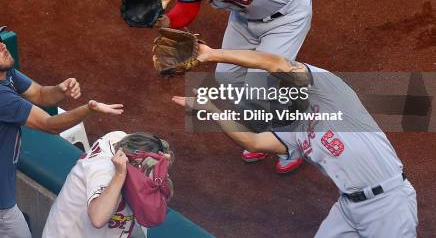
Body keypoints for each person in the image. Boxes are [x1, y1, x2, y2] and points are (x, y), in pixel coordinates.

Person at [171, 45, 418, 237]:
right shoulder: (298, 131)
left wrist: (213, 55)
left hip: (389, 204)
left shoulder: (330, 92)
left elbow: (274, 62)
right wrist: (211, 109)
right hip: (348, 206)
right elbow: (253, 143)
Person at [155, 0, 312, 173]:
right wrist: (165, 21)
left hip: (286, 17)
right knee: (228, 77)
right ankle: (261, 130)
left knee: (259, 85)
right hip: (244, 18)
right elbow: (189, 7)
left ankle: (291, 140)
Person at [0, 23, 124, 238]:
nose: (2, 45)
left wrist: (60, 90)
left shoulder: (1, 73)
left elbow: (40, 94)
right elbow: (50, 125)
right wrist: (89, 109)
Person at [43, 131, 174, 238]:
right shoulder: (103, 172)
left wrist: (160, 169)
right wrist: (120, 175)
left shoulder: (119, 139)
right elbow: (97, 218)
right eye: (148, 169)